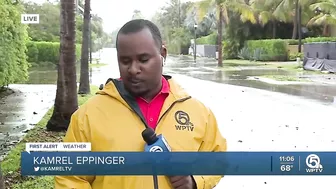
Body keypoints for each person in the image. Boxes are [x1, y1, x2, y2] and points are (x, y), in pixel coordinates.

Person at [55, 19, 227, 189]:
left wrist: (195, 180)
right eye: (125, 61)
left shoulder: (198, 113)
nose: (133, 69)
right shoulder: (87, 117)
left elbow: (218, 158)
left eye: (143, 60)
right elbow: (70, 178)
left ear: (163, 54)